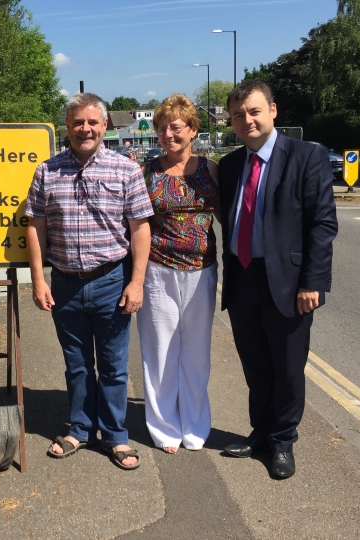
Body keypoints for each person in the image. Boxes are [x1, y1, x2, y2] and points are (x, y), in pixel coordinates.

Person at [25, 92, 153, 470]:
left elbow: (140, 228)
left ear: (105, 126)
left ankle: (115, 436)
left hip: (112, 280)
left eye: (93, 122)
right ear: (67, 126)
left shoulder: (126, 169)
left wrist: (137, 282)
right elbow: (36, 226)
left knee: (113, 365)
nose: (86, 129)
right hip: (64, 284)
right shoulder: (47, 171)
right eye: (78, 122)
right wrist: (38, 279)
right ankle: (79, 429)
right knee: (77, 364)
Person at [218, 81, 338, 478]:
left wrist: (313, 282)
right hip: (243, 278)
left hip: (289, 282)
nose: (247, 120)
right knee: (255, 365)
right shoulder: (233, 164)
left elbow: (322, 224)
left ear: (273, 110)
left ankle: (283, 441)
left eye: (253, 111)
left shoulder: (307, 157)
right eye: (238, 115)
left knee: (287, 368)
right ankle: (261, 434)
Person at [136, 93, 219, 454]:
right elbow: (136, 224)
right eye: (162, 128)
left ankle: (195, 424)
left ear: (192, 129)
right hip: (158, 270)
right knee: (160, 351)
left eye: (176, 127)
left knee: (197, 352)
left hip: (202, 271)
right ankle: (165, 427)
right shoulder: (148, 171)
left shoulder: (211, 168)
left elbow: (229, 216)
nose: (169, 134)